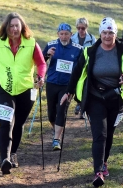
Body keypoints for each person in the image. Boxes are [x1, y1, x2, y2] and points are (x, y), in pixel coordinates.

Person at [60, 17, 123, 188]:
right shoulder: (90, 51)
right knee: (100, 134)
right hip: (95, 97)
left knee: (109, 134)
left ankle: (104, 162)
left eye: (111, 32)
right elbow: (76, 72)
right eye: (104, 32)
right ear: (100, 33)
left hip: (116, 98)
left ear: (115, 34)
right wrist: (69, 92)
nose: (107, 36)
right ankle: (98, 171)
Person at [0, 12, 46, 175]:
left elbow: (41, 63)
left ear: (22, 27)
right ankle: (5, 159)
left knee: (18, 123)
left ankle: (13, 153)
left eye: (17, 25)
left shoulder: (31, 44)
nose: (14, 29)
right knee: (6, 122)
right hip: (3, 88)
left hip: (26, 89)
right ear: (6, 28)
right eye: (11, 26)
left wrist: (41, 77)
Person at [42, 23, 83, 151]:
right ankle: (56, 129)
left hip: (67, 86)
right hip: (52, 83)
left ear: (71, 35)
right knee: (51, 114)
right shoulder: (51, 45)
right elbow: (40, 62)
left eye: (66, 34)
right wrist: (47, 55)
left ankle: (56, 139)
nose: (64, 37)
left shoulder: (78, 49)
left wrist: (77, 85)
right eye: (61, 34)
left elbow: (82, 68)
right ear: (58, 34)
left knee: (61, 110)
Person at [71, 17, 96, 119]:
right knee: (76, 85)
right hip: (76, 65)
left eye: (83, 28)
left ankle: (82, 107)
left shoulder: (91, 38)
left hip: (87, 66)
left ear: (86, 27)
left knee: (85, 86)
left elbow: (95, 51)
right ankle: (78, 103)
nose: (81, 30)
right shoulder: (72, 38)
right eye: (79, 28)